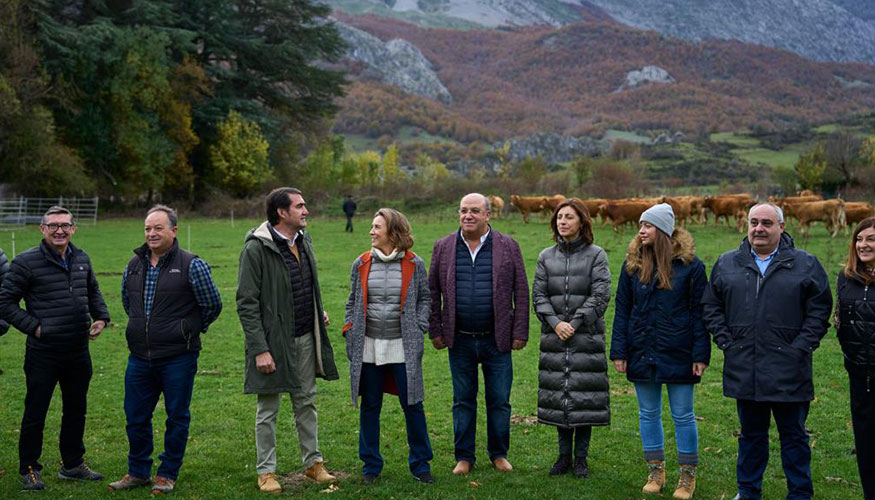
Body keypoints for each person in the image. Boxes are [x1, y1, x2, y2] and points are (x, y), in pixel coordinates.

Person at [703, 203, 832, 500]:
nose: (759, 229)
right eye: (753, 222)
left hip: (790, 368)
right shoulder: (727, 263)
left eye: (766, 223)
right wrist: (726, 342)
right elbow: (711, 306)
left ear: (782, 227)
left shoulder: (805, 264)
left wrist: (800, 347)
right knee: (751, 436)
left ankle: (800, 493)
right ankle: (748, 491)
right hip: (745, 366)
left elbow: (819, 309)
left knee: (794, 437)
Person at [108, 205, 222, 494]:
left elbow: (212, 305)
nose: (151, 233)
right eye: (147, 228)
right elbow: (128, 302)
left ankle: (167, 473)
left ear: (174, 230)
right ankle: (138, 472)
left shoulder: (191, 264)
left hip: (178, 358)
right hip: (139, 357)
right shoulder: (134, 264)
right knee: (135, 416)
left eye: (158, 228)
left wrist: (189, 329)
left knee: (177, 416)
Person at [236, 187, 339, 494]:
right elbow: (246, 302)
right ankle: (266, 472)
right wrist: (260, 349)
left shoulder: (304, 242)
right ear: (282, 212)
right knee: (268, 408)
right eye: (300, 206)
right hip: (272, 343)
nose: (306, 210)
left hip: (306, 337)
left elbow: (303, 285)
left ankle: (313, 464)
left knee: (306, 401)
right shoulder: (256, 248)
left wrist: (316, 311)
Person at [0, 206, 110, 491]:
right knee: (36, 411)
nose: (59, 230)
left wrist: (101, 317)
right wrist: (35, 328)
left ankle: (72, 465)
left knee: (76, 409)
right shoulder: (26, 263)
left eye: (65, 225)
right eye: (53, 225)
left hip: (77, 351)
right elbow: (5, 302)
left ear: (73, 228)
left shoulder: (82, 258)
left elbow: (93, 290)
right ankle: (29, 469)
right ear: (42, 229)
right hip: (43, 353)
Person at [609, 203, 709, 500]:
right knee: (648, 413)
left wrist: (700, 354)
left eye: (648, 225)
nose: (641, 230)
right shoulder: (632, 266)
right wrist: (619, 351)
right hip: (641, 348)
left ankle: (687, 476)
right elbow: (623, 310)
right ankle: (655, 470)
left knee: (683, 414)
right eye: (640, 225)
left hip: (679, 349)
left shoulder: (691, 267)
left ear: (663, 230)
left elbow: (700, 314)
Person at [428, 193, 529, 475]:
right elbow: (432, 292)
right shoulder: (444, 247)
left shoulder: (508, 246)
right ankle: (464, 457)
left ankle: (498, 454)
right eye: (463, 211)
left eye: (474, 211)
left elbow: (521, 290)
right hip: (458, 339)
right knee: (463, 400)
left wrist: (519, 330)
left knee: (499, 400)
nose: (467, 216)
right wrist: (435, 329)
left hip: (497, 339)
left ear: (488, 215)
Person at [343, 208, 434, 484]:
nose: (371, 231)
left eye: (377, 227)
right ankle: (371, 465)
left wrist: (420, 325)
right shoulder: (360, 262)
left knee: (413, 405)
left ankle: (421, 465)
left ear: (393, 231)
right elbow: (351, 301)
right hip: (368, 346)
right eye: (372, 226)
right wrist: (349, 329)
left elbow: (425, 299)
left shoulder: (414, 263)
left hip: (402, 346)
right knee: (370, 406)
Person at [532, 198, 611, 479]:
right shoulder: (545, 257)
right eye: (559, 218)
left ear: (582, 222)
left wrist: (574, 323)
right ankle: (563, 456)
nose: (562, 222)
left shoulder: (596, 255)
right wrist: (555, 323)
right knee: (559, 395)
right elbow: (539, 296)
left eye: (569, 217)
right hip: (555, 339)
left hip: (585, 338)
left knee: (584, 395)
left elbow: (600, 295)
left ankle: (581, 459)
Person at [835, 216, 875, 500]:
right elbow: (840, 319)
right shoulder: (846, 278)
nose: (863, 245)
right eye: (859, 239)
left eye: (871, 239)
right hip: (859, 374)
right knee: (866, 443)